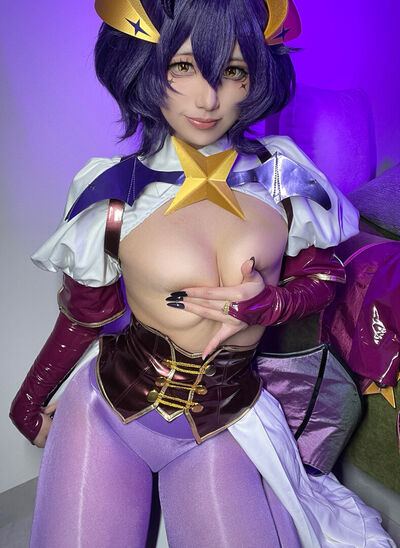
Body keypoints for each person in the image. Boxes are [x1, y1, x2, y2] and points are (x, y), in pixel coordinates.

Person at [9, 0, 396, 546]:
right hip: (106, 409)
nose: (209, 99)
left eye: (233, 70)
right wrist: (29, 400)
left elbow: (327, 277)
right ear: (145, 64)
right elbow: (84, 315)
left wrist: (274, 304)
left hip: (225, 417)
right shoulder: (111, 193)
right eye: (184, 66)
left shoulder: (285, 177)